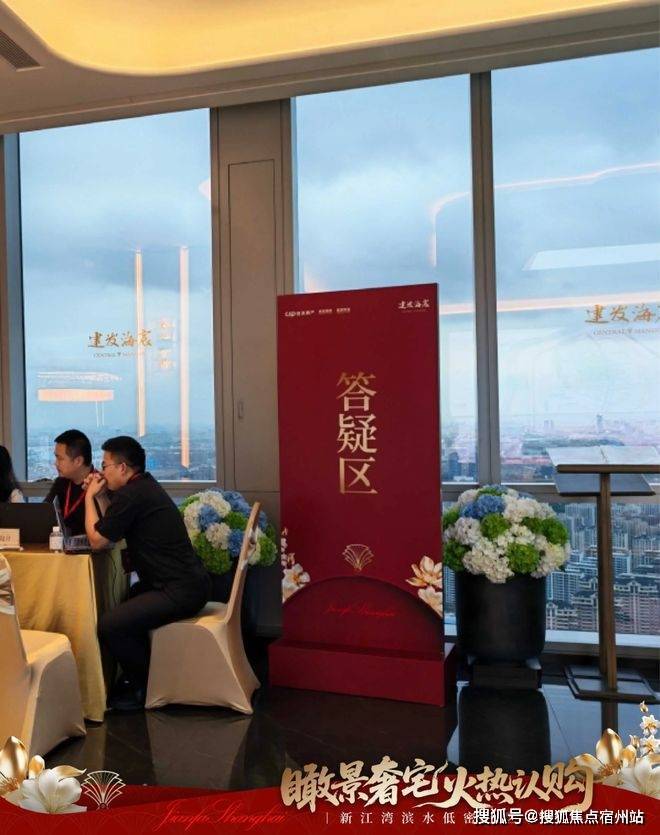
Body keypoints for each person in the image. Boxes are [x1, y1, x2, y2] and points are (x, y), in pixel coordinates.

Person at [84, 435, 211, 711]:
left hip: (179, 590)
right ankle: (139, 675)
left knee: (110, 625)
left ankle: (144, 688)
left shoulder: (132, 494)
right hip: (186, 583)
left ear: (122, 468)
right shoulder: (142, 487)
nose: (101, 472)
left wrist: (88, 498)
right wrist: (102, 496)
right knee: (129, 600)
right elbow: (113, 529)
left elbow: (98, 540)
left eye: (105, 466)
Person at [44, 429, 95, 535]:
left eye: (60, 459)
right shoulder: (61, 482)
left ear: (78, 461)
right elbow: (44, 512)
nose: (56, 463)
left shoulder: (99, 485)